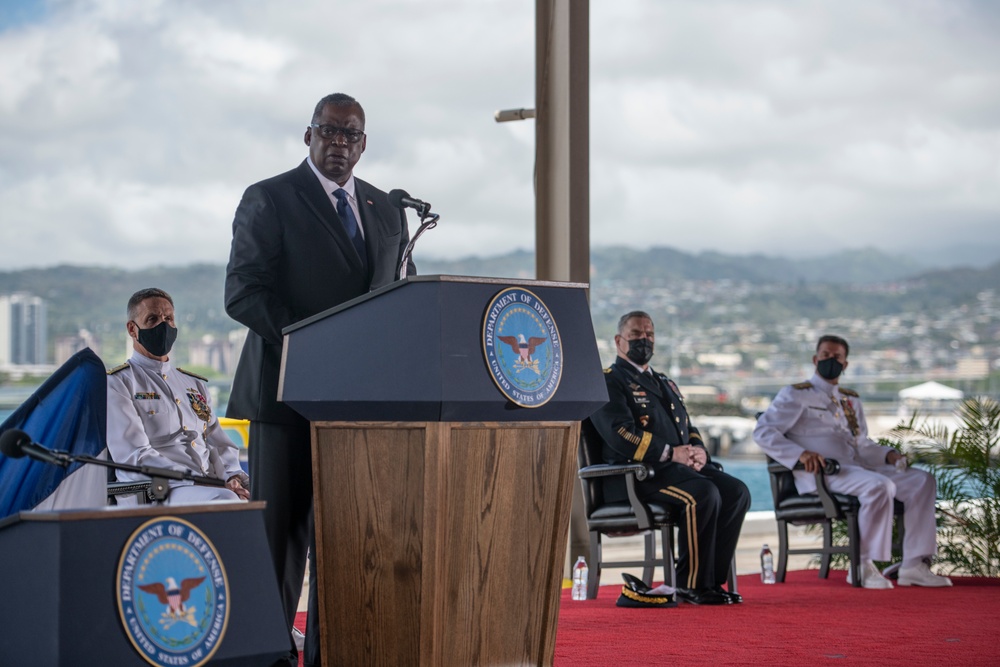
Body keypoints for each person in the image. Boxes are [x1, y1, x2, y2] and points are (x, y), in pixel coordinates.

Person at [224, 92, 414, 666]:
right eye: (328, 132)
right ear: (307, 136)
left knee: (352, 540)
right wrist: (316, 342)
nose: (339, 143)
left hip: (360, 406)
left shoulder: (386, 209)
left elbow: (402, 294)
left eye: (350, 135)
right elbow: (243, 292)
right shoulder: (270, 197)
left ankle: (339, 653)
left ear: (363, 144)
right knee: (282, 542)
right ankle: (271, 654)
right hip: (284, 397)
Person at [753, 335, 952, 589]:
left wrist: (888, 455)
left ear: (845, 364)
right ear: (815, 359)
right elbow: (763, 432)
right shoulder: (795, 394)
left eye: (837, 356)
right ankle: (862, 565)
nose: (830, 360)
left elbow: (862, 445)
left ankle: (913, 565)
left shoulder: (850, 400)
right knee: (880, 486)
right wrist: (800, 454)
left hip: (857, 470)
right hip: (823, 473)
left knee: (921, 481)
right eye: (825, 355)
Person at [589, 311, 750, 605]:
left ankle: (711, 581)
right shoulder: (608, 382)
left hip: (675, 471)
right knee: (702, 494)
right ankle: (690, 585)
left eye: (649, 334)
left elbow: (687, 427)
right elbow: (620, 434)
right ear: (618, 340)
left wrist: (697, 451)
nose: (644, 340)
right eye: (636, 334)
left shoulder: (664, 382)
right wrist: (669, 452)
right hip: (636, 476)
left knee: (736, 492)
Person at [106, 288, 249, 505]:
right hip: (157, 490)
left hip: (207, 487)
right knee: (225, 500)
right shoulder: (119, 383)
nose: (163, 325)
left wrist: (233, 476)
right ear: (132, 329)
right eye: (152, 319)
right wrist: (193, 480)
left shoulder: (194, 384)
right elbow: (133, 455)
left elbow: (218, 441)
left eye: (169, 318)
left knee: (267, 500)